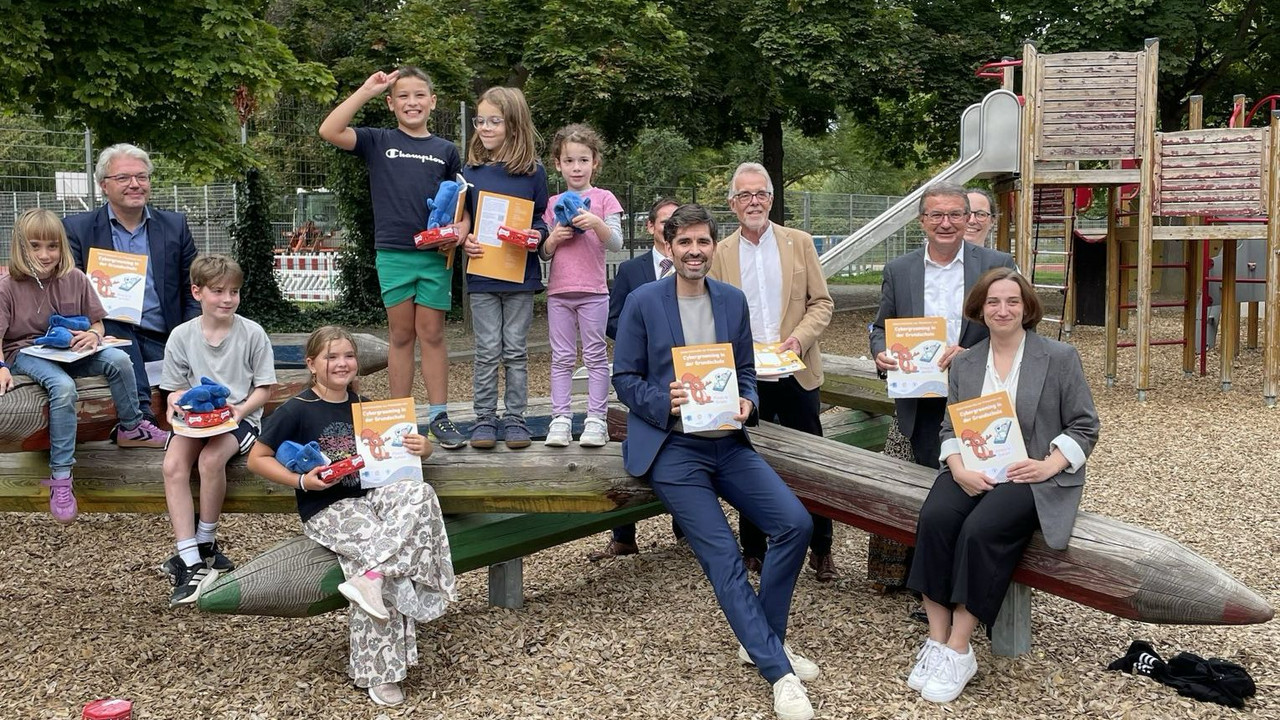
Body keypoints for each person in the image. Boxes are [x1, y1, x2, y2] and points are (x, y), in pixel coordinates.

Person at [613, 204, 818, 720]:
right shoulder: (642, 302)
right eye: (685, 243)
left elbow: (745, 368)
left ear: (713, 246)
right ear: (667, 246)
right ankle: (779, 672)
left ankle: (762, 643)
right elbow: (625, 378)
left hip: (727, 440)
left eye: (704, 242)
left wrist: (747, 400)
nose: (695, 251)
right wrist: (665, 398)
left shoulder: (731, 300)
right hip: (673, 447)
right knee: (724, 556)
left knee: (795, 523)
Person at [905, 267, 1099, 702]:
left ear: (1027, 307)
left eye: (1012, 301)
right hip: (973, 468)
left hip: (1028, 475)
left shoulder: (1059, 356)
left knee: (980, 530)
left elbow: (1086, 426)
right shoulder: (967, 361)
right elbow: (949, 427)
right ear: (980, 308)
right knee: (935, 519)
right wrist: (956, 468)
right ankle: (937, 641)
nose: (1002, 309)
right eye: (993, 301)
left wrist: (1050, 465)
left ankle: (960, 648)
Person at [248, 326, 456, 707]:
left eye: (348, 356)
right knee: (376, 550)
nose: (342, 363)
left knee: (420, 494)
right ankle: (380, 671)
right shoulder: (296, 409)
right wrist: (301, 481)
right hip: (329, 506)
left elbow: (393, 459)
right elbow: (256, 458)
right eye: (331, 357)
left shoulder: (365, 406)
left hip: (373, 495)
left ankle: (371, 578)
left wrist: (422, 448)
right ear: (312, 364)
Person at [318, 66, 468, 450]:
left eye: (420, 95)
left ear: (433, 102)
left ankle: (439, 416)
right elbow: (329, 130)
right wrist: (366, 89)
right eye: (403, 96)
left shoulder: (446, 150)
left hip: (435, 256)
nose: (412, 102)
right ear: (390, 103)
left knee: (432, 334)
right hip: (392, 255)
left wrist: (462, 229)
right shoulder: (377, 140)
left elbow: (463, 202)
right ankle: (401, 417)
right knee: (401, 336)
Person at [710, 162, 838, 582]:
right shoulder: (720, 252)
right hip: (746, 378)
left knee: (813, 462)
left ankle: (822, 548)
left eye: (760, 194)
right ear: (732, 204)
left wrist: (798, 339)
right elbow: (710, 311)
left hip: (796, 371)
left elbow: (822, 302)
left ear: (770, 198)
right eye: (745, 195)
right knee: (747, 460)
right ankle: (754, 550)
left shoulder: (799, 243)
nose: (754, 202)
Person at [0, 209, 168, 523]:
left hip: (67, 351)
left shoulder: (75, 278)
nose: (45, 254)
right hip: (25, 353)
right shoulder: (7, 285)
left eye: (52, 246)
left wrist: (92, 335)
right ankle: (61, 476)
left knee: (119, 358)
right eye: (35, 246)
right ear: (20, 247)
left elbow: (98, 322)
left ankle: (132, 427)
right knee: (63, 388)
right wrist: (0, 366)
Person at [870, 182, 1017, 470]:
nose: (945, 223)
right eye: (936, 215)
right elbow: (881, 328)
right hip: (923, 396)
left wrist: (971, 357)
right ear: (922, 220)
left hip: (981, 391)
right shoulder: (899, 271)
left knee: (986, 472)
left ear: (967, 218)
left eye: (955, 215)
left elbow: (1019, 330)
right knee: (929, 476)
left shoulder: (997, 265)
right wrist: (880, 352)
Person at [160, 255, 276, 607]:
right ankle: (191, 559)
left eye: (234, 292)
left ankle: (206, 540)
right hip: (196, 420)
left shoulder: (252, 332)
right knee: (172, 467)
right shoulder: (181, 336)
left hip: (239, 418)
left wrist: (240, 409)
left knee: (211, 461)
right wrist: (174, 405)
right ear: (197, 292)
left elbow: (265, 389)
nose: (227, 299)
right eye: (218, 291)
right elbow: (174, 390)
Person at [63, 143, 201, 423]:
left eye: (142, 177)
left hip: (162, 334)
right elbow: (70, 294)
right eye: (123, 178)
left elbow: (193, 289)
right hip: (108, 332)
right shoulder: (78, 229)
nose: (135, 184)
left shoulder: (175, 226)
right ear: (104, 185)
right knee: (116, 324)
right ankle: (139, 421)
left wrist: (189, 336)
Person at [589, 196, 683, 561]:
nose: (671, 228)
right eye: (665, 222)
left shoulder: (695, 267)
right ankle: (624, 535)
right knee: (633, 448)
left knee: (684, 445)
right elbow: (612, 319)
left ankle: (686, 529)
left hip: (683, 372)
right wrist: (643, 340)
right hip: (641, 374)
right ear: (650, 227)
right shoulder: (631, 271)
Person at [460, 86, 548, 450]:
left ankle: (515, 417)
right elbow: (461, 218)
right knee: (485, 350)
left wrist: (535, 234)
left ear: (514, 124)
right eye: (480, 120)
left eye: (494, 120)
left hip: (520, 277)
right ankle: (484, 417)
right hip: (481, 273)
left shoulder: (533, 173)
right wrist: (464, 240)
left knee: (514, 349)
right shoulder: (470, 171)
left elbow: (542, 219)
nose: (485, 127)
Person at [539, 123, 623, 449]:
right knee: (561, 357)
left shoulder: (604, 199)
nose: (577, 167)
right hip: (559, 292)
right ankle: (560, 419)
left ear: (595, 163)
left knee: (595, 357)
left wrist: (597, 223)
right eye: (569, 160)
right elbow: (545, 251)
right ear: (558, 164)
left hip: (594, 293)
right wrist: (554, 238)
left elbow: (615, 242)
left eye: (583, 160)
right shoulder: (553, 202)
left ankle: (596, 420)